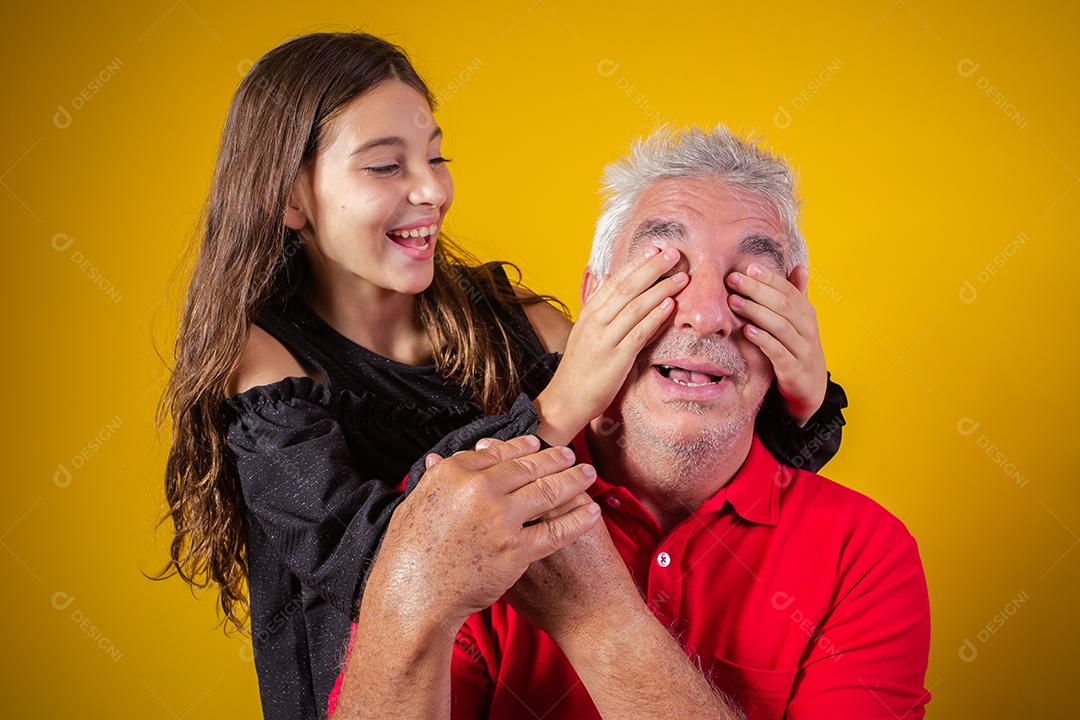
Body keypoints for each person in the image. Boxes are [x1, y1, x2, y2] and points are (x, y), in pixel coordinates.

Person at [154, 32, 849, 720]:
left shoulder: (520, 319)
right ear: (290, 198)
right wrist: (558, 406)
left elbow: (666, 460)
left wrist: (801, 399)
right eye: (386, 166)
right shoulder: (263, 364)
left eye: (435, 156)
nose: (431, 188)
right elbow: (380, 571)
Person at [329, 125, 929, 720]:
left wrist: (597, 619)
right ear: (595, 297)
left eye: (747, 278)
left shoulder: (866, 557)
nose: (705, 316)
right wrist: (415, 590)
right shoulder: (470, 509)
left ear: (794, 303)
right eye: (663, 271)